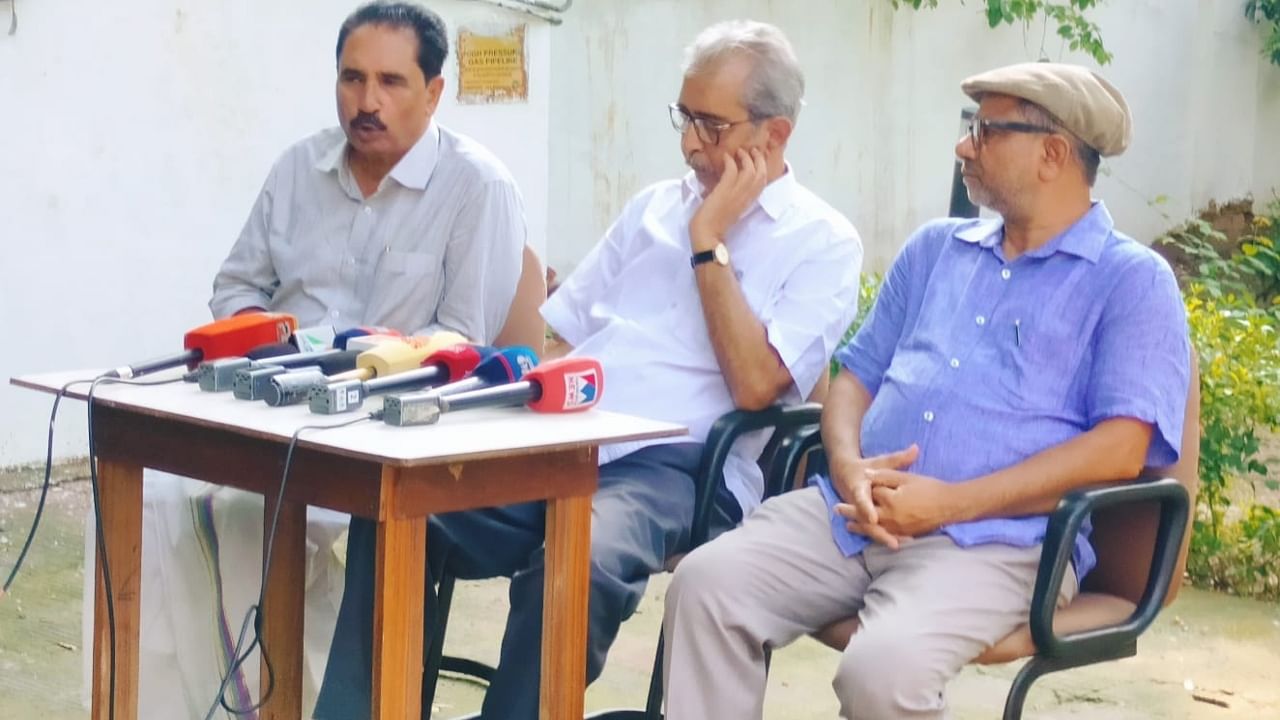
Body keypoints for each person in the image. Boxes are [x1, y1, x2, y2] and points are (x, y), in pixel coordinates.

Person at [312, 18, 864, 720]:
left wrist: (708, 244)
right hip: (568, 433)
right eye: (684, 118)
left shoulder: (821, 242)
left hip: (679, 465)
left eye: (712, 126)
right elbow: (563, 338)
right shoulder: (653, 208)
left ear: (775, 134)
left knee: (582, 556)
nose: (691, 143)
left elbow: (757, 385)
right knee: (397, 502)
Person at [661, 62, 1191, 720]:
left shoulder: (1129, 281)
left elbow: (1120, 450)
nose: (964, 146)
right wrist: (850, 466)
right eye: (971, 127)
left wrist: (947, 505)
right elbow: (855, 377)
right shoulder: (936, 248)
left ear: (1053, 154)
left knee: (881, 673)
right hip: (854, 515)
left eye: (988, 131)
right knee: (706, 586)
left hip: (1003, 543)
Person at [133, 2, 530, 717]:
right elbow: (236, 285)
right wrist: (273, 342)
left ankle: (281, 704)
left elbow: (463, 343)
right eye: (351, 78)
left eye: (391, 81)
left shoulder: (479, 188)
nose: (366, 102)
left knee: (241, 521)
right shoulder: (298, 169)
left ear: (434, 92)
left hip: (388, 445)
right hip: (271, 410)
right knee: (152, 501)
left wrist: (352, 361)